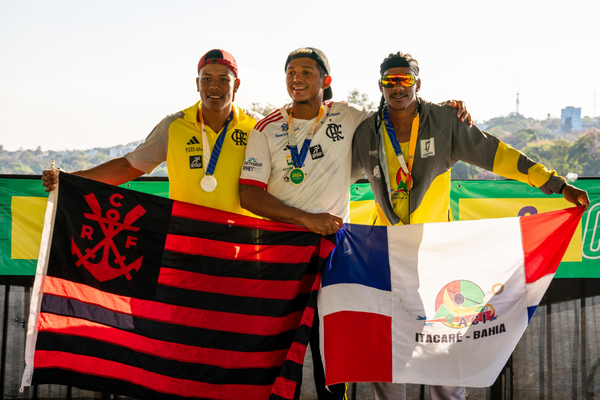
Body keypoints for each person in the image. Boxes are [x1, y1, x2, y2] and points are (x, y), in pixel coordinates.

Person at [351, 51, 591, 400]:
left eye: (405, 80)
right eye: (390, 81)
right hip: (385, 257)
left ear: (418, 83)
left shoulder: (444, 122)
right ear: (380, 85)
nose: (398, 87)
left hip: (434, 256)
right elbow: (328, 177)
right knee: (388, 350)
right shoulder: (367, 132)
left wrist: (556, 183)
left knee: (445, 349)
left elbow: (499, 154)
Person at [239, 47, 470, 400]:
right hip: (279, 255)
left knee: (333, 351)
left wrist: (445, 110)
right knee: (277, 351)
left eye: (305, 71)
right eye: (290, 71)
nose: (296, 78)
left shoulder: (350, 117)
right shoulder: (265, 128)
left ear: (325, 80)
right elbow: (249, 196)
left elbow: (400, 109)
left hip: (333, 255)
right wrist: (307, 219)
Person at [42, 49, 260, 215]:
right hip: (185, 242)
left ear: (237, 85)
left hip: (240, 245)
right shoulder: (174, 125)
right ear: (197, 84)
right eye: (207, 79)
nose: (214, 86)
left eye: (223, 79)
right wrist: (70, 180)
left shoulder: (256, 127)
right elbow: (128, 166)